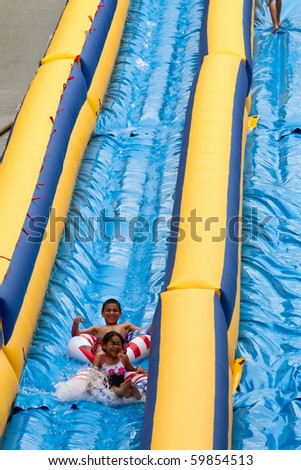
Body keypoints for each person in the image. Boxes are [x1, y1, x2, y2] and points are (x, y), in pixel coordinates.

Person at [71, 298, 151, 355]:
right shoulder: (96, 329)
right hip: (100, 355)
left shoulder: (126, 326)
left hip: (118, 354)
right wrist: (75, 324)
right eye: (108, 310)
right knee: (99, 349)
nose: (112, 313)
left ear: (120, 313)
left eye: (115, 310)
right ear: (102, 313)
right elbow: (76, 335)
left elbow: (145, 333)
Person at [88, 331, 147, 400]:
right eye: (113, 344)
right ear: (104, 346)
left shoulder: (122, 358)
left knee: (122, 386)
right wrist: (91, 385)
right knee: (116, 390)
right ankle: (126, 391)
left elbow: (132, 370)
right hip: (108, 387)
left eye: (119, 344)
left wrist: (139, 368)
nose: (116, 347)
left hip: (121, 383)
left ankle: (131, 389)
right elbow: (93, 373)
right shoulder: (100, 357)